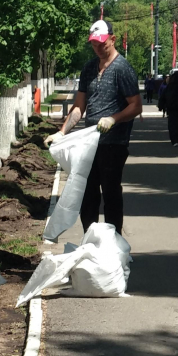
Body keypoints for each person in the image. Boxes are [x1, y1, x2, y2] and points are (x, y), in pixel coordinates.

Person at [46, 20, 142, 234]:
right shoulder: (89, 68)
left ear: (112, 39)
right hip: (90, 144)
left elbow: (136, 106)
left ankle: (113, 241)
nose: (98, 48)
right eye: (94, 44)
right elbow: (79, 107)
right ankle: (90, 240)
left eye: (102, 43)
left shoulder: (122, 69)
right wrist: (61, 133)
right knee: (88, 194)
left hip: (114, 144)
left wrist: (113, 119)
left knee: (110, 193)